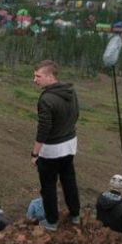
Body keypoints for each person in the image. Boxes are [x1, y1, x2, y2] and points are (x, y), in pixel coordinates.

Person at [30, 60, 81, 231]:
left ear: (50, 76)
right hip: (70, 144)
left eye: (38, 76)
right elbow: (76, 114)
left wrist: (35, 154)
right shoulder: (70, 91)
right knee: (69, 179)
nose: (35, 80)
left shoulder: (46, 99)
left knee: (48, 185)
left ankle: (51, 221)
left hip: (51, 150)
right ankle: (75, 214)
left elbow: (43, 129)